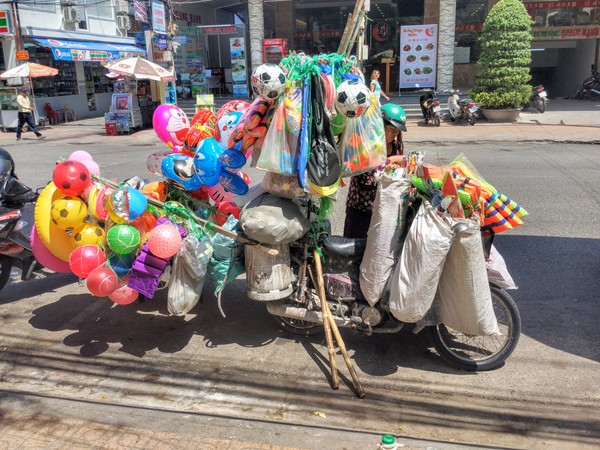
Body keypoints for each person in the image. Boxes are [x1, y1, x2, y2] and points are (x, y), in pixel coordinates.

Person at [343, 103, 407, 239]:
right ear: (380, 124)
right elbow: (366, 176)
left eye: (397, 131)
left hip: (382, 209)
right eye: (392, 129)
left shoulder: (396, 146)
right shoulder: (367, 144)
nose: (395, 134)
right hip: (360, 209)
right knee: (354, 252)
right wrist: (393, 160)